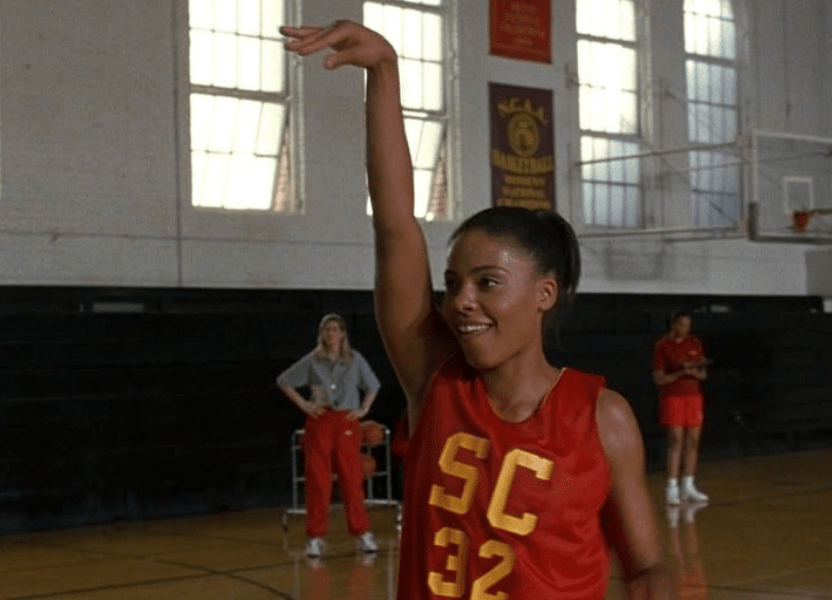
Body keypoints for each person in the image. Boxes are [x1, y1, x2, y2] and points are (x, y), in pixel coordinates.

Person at [282, 21, 669, 600]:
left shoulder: (602, 418)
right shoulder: (435, 381)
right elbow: (395, 228)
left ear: (545, 293)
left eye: (488, 283)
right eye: (453, 282)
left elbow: (647, 567)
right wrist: (385, 73)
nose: (462, 300)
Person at [277, 313, 381, 557]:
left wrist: (364, 409)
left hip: (345, 420)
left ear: (342, 333)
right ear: (322, 334)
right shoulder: (313, 361)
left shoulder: (354, 359)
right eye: (327, 330)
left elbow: (373, 385)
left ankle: (361, 531)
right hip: (320, 420)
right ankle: (315, 536)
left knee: (351, 478)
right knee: (318, 479)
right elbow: (284, 380)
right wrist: (304, 405)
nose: (331, 334)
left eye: (335, 329)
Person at [651, 311, 709, 505]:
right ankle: (672, 486)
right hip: (673, 397)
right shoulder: (663, 345)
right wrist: (680, 373)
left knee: (693, 440)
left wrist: (694, 371)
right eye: (681, 325)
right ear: (674, 324)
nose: (685, 329)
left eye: (688, 325)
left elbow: (703, 374)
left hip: (693, 397)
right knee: (676, 440)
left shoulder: (695, 343)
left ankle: (688, 485)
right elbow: (659, 378)